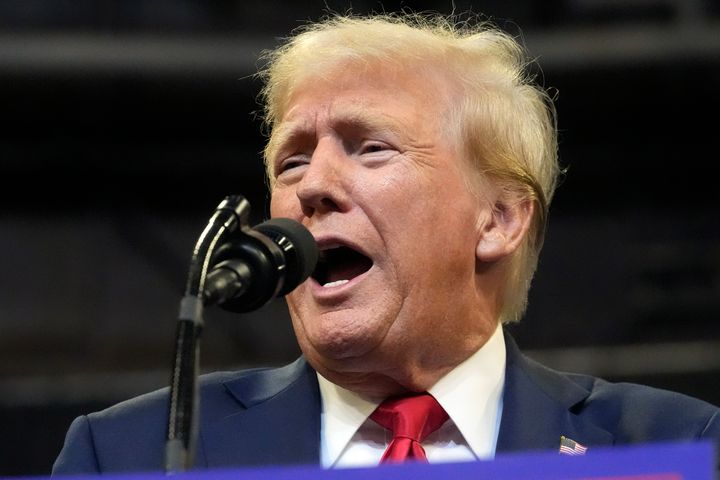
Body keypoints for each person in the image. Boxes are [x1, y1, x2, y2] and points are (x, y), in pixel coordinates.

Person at [52, 12, 719, 474]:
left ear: (499, 220)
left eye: (371, 149)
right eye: (291, 162)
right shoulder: (128, 454)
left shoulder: (676, 447)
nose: (314, 186)